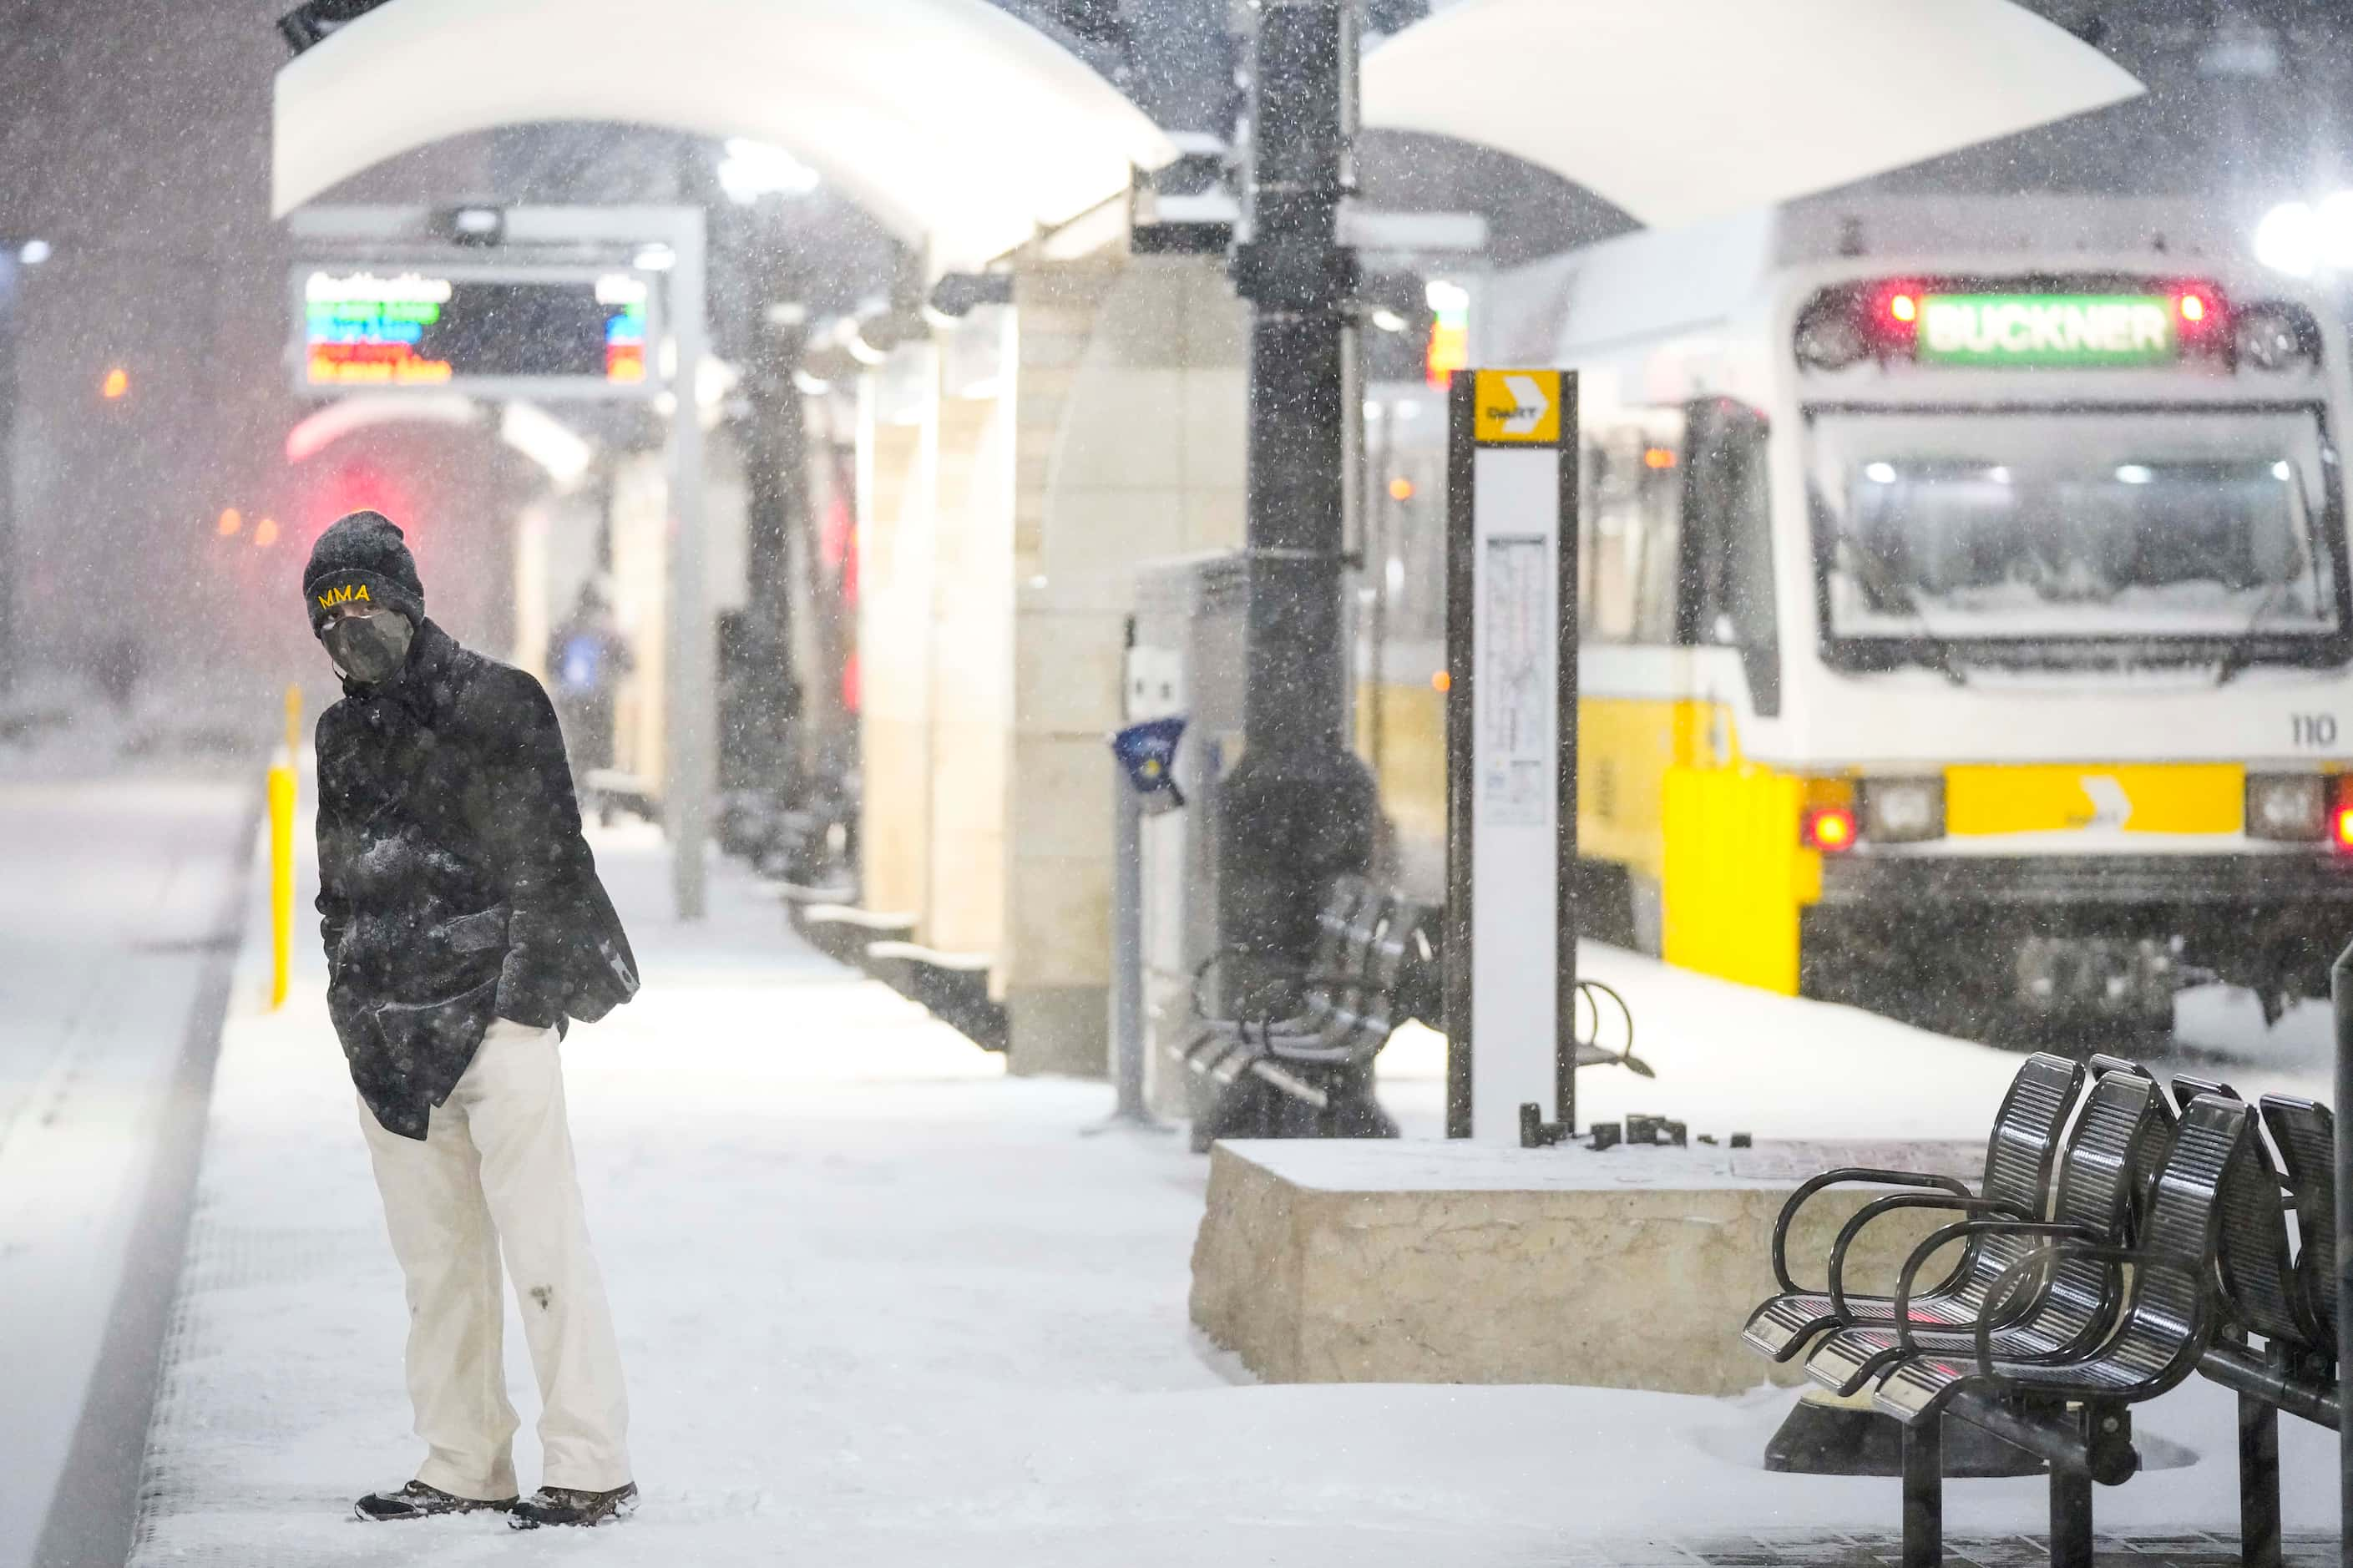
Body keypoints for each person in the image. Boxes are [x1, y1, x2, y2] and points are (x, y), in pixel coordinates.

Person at [304, 510, 642, 1529]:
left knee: (544, 1246)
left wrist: (521, 1007)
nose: (346, 635)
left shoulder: (500, 703)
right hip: (390, 1044)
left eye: (363, 610)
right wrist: (352, 1003)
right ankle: (463, 1460)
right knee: (437, 1268)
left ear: (407, 603)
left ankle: (589, 1462)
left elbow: (550, 860)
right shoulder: (341, 733)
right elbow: (341, 886)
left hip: (496, 1023)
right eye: (328, 619)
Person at [544, 578, 632, 789]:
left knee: (574, 750)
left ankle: (578, 793)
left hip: (570, 702)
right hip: (600, 702)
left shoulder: (564, 628)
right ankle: (601, 798)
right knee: (601, 753)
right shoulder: (608, 630)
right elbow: (628, 662)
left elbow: (550, 663)